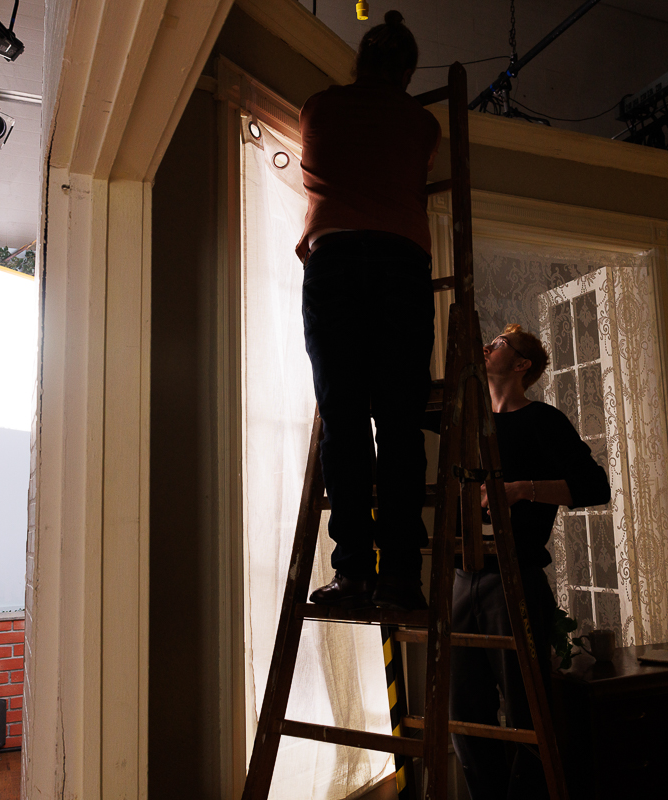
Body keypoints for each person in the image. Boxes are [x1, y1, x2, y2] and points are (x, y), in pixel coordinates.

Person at [299, 10, 441, 611]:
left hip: (335, 263)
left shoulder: (320, 108)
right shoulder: (422, 123)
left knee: (345, 419)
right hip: (401, 267)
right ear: (407, 72)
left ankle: (354, 572)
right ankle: (403, 577)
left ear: (359, 61)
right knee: (401, 422)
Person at [451, 323, 611, 800]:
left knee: (526, 714)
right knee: (464, 716)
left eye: (497, 344)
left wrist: (524, 489)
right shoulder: (465, 418)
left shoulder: (543, 420)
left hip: (514, 582)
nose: (487, 347)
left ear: (520, 365)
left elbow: (595, 487)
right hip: (462, 579)